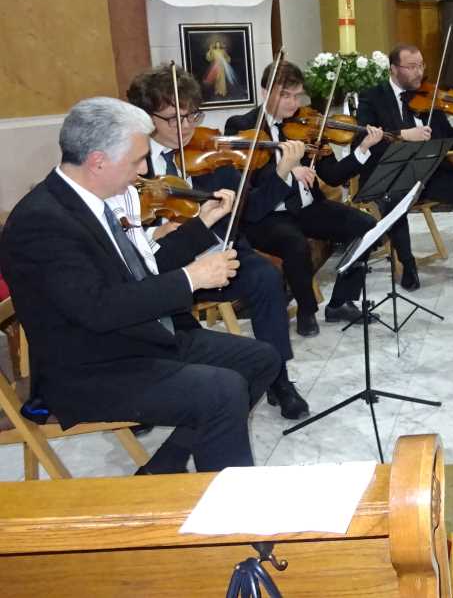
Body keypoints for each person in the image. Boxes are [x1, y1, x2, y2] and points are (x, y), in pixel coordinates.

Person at [0, 98, 280, 473]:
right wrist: (192, 278)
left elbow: (141, 273)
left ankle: (162, 468)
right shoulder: (41, 221)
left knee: (261, 360)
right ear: (98, 162)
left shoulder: (93, 201)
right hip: (88, 369)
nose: (145, 170)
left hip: (135, 338)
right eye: (137, 160)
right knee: (222, 390)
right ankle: (224, 504)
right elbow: (98, 309)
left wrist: (202, 225)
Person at [125, 66, 310, 418]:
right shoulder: (134, 163)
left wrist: (281, 171)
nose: (186, 127)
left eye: (192, 115)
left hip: (217, 252)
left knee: (266, 278)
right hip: (166, 266)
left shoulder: (211, 154)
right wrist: (154, 234)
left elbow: (251, 211)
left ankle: (279, 379)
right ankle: (144, 394)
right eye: (173, 118)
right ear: (147, 118)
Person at [226, 62, 384, 329]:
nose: (293, 103)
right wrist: (287, 170)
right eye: (285, 95)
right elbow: (247, 180)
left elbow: (333, 175)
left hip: (307, 208)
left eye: (297, 95)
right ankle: (306, 311)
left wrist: (363, 148)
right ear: (265, 92)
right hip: (266, 215)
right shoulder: (241, 126)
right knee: (294, 243)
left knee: (366, 225)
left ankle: (341, 303)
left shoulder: (308, 124)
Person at [355, 44, 453, 287]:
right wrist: (402, 135)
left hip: (429, 173)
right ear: (393, 69)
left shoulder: (430, 97)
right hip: (391, 174)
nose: (419, 72)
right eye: (411, 67)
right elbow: (363, 138)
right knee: (395, 199)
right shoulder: (372, 98)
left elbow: (448, 140)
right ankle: (407, 265)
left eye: (421, 65)